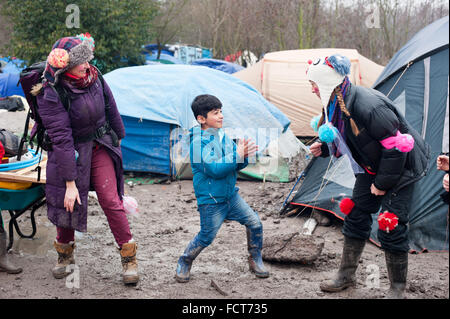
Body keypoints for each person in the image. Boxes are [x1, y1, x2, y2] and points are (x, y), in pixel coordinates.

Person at [306, 54, 430, 298]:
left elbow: (397, 147)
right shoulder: (334, 101)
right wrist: (324, 148)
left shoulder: (368, 105)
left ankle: (397, 288)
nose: (311, 89)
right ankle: (346, 275)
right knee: (356, 214)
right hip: (371, 165)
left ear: (327, 83)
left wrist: (382, 184)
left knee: (390, 225)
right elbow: (348, 137)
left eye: (313, 84)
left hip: (402, 168)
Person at [33, 34, 139, 285]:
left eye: (87, 60)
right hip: (68, 150)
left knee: (111, 199)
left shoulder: (94, 76)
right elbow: (61, 138)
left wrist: (118, 137)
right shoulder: (50, 92)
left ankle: (129, 257)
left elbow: (110, 105)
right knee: (66, 202)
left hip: (100, 143)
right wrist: (70, 183)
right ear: (66, 67)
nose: (87, 65)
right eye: (81, 62)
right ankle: (65, 254)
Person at [175, 94, 270, 282]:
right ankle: (184, 261)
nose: (221, 116)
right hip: (211, 200)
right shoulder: (196, 143)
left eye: (221, 112)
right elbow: (215, 169)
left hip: (230, 197)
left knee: (255, 223)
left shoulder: (222, 136)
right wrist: (237, 155)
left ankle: (255, 258)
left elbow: (235, 165)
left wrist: (244, 156)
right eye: (215, 113)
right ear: (201, 119)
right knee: (206, 237)